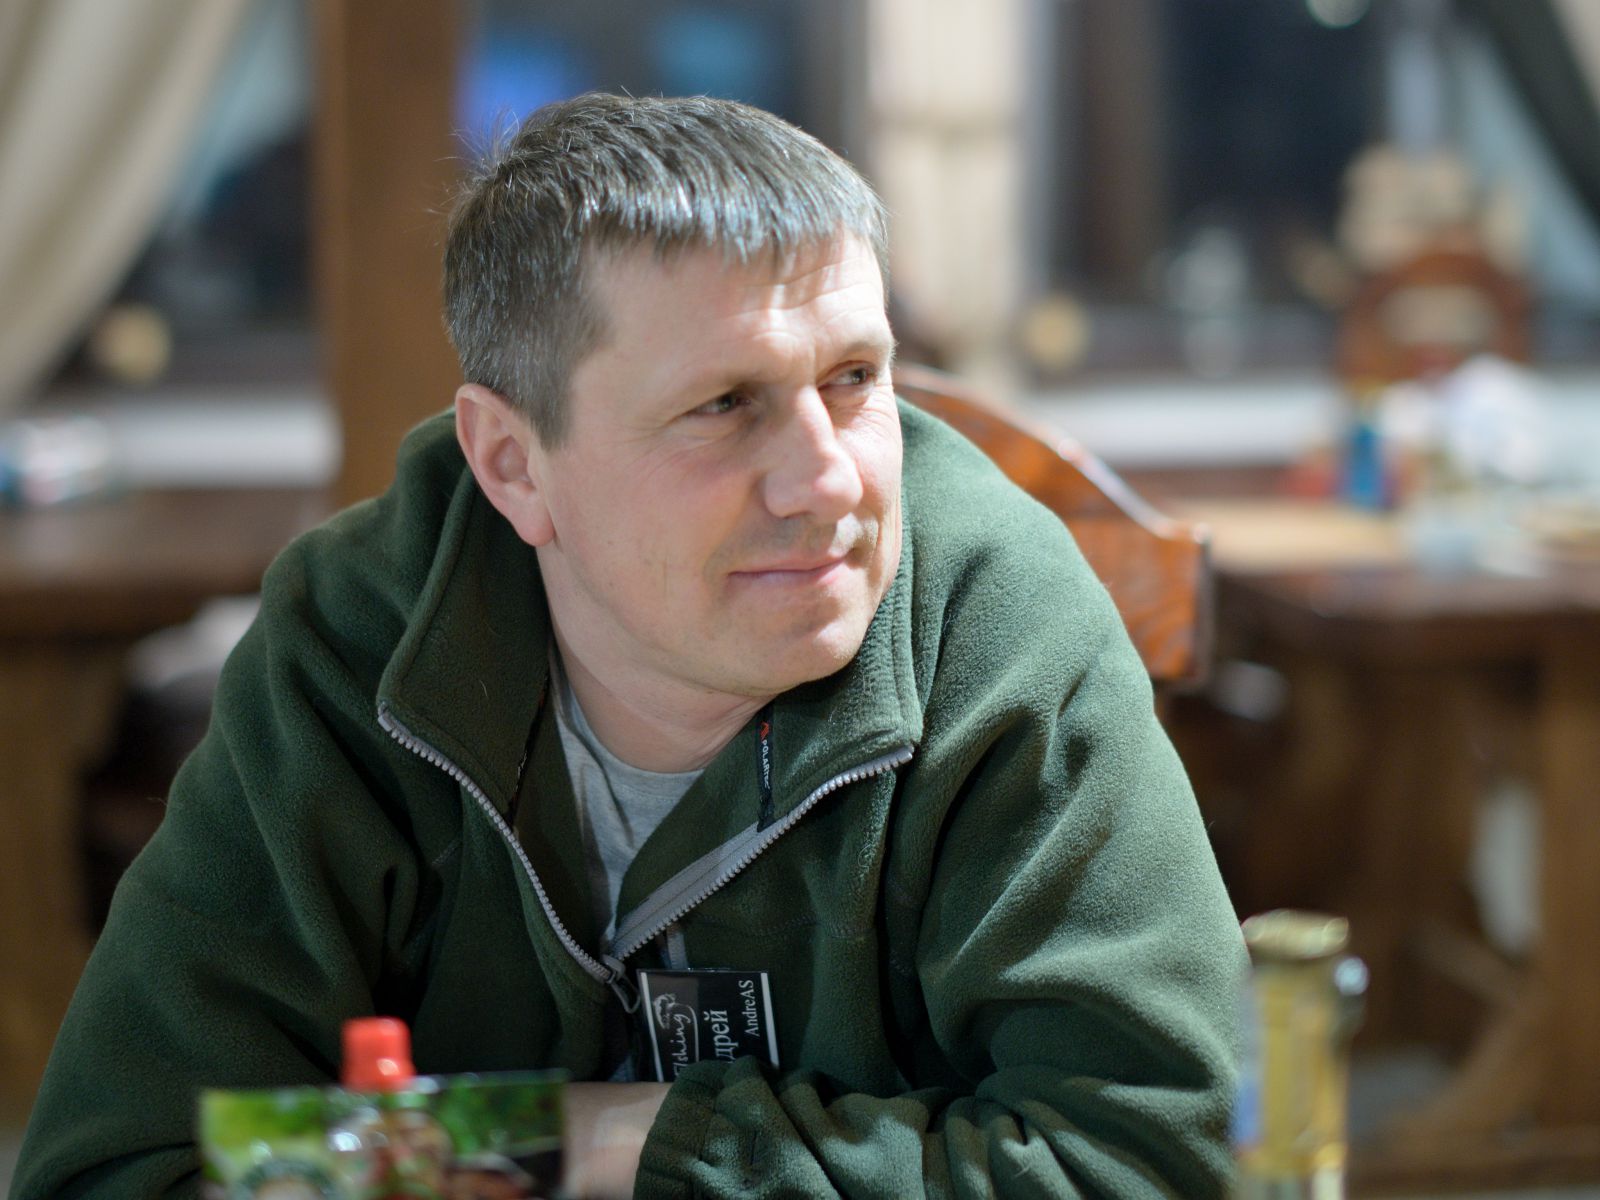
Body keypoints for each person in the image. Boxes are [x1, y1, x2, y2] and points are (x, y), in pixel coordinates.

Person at [14, 93, 1244, 1198]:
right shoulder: (357, 638)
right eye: (724, 405)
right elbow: (122, 1163)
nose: (828, 479)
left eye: (855, 378)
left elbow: (1152, 1160)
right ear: (513, 464)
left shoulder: (1000, 618)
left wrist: (617, 1142)